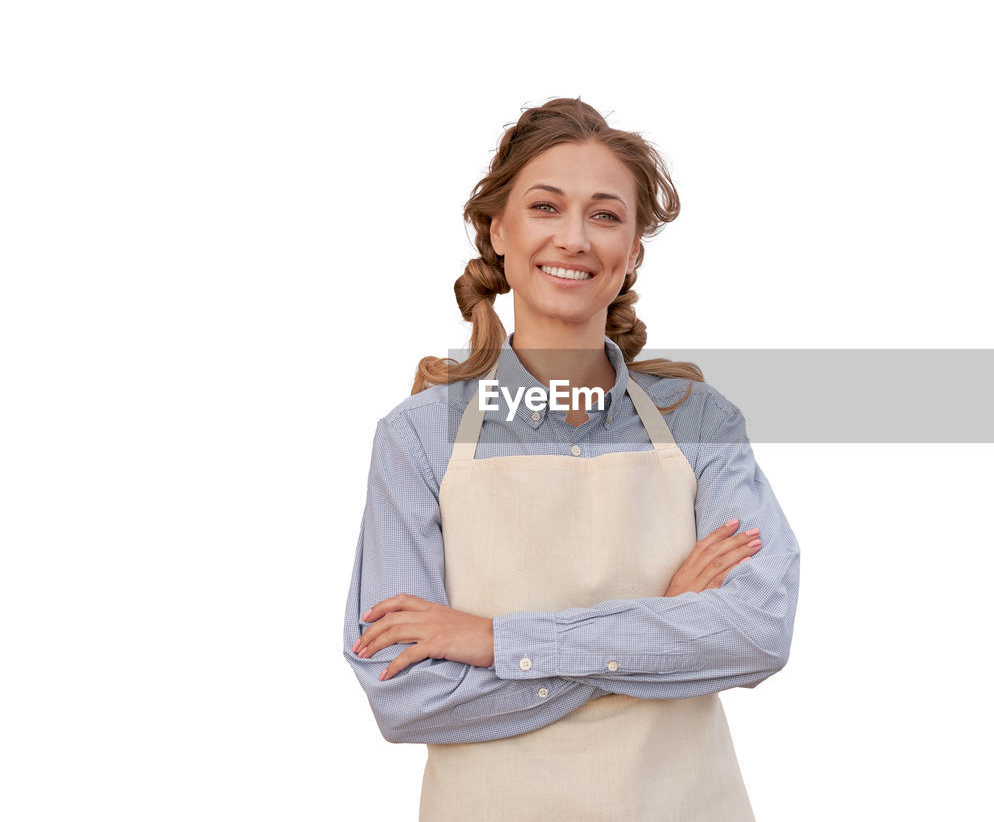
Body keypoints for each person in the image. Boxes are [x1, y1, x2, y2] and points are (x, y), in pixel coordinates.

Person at [341, 97, 801, 822]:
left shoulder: (701, 422)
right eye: (546, 206)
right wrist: (664, 627)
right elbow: (408, 695)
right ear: (500, 229)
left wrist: (497, 639)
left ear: (634, 249)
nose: (575, 237)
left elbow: (756, 631)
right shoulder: (420, 438)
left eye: (606, 214)